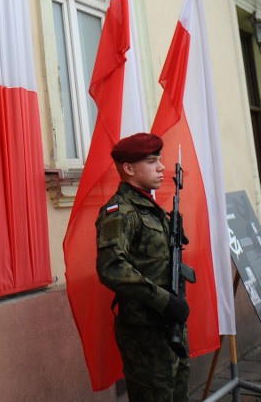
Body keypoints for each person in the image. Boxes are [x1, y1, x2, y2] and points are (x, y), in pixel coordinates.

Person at [95, 132, 190, 402]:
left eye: (159, 159)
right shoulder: (120, 211)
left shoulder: (150, 207)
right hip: (146, 332)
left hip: (170, 325)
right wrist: (164, 301)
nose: (162, 167)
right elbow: (111, 267)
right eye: (152, 161)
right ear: (128, 168)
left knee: (179, 391)